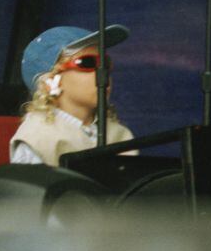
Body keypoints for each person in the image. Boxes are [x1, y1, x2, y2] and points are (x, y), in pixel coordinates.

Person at [10, 25, 134, 166]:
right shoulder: (37, 136)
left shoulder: (119, 134)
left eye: (106, 63)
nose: (102, 73)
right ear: (50, 81)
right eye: (87, 63)